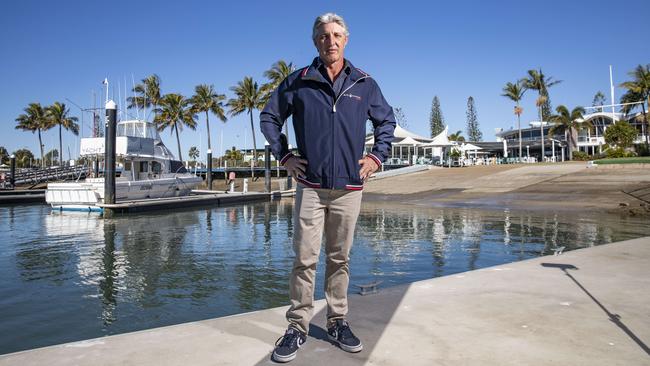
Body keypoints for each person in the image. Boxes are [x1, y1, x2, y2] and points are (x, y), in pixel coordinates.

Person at [260, 12, 395, 363]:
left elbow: (386, 121)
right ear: (315, 41)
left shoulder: (364, 84)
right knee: (305, 258)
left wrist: (376, 158)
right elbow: (269, 117)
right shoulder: (299, 81)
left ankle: (337, 320)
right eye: (323, 36)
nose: (330, 41)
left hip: (350, 187)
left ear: (346, 39)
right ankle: (297, 326)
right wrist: (285, 156)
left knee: (340, 258)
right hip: (310, 186)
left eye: (336, 35)